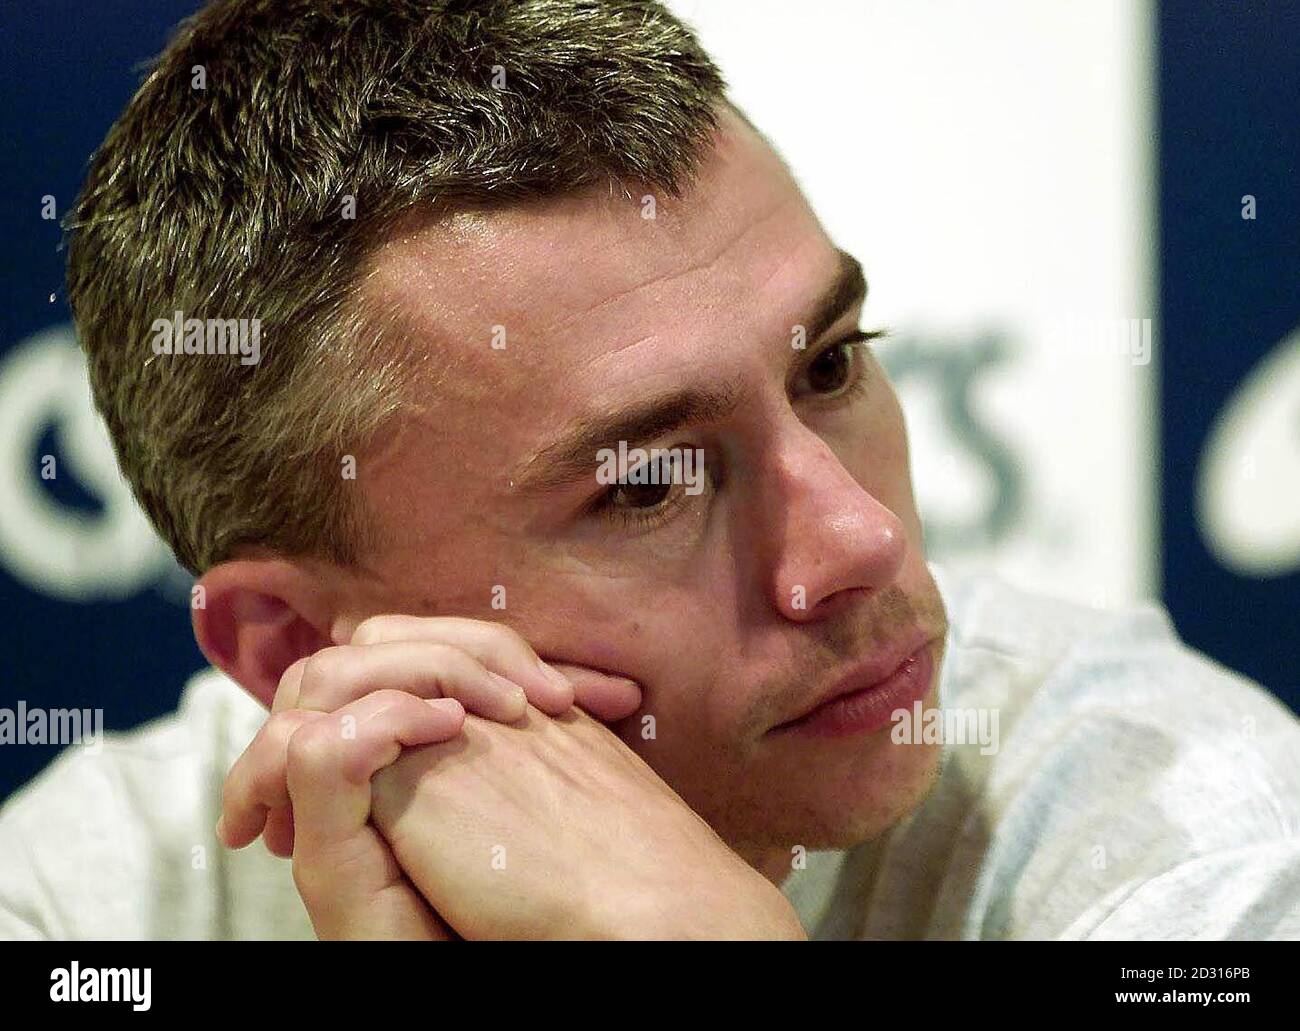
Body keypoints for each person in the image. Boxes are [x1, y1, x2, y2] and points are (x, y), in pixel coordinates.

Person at [2, 0, 1297, 940]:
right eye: (645, 484)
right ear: (289, 648)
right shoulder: (86, 908)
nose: (856, 544)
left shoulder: (1184, 835)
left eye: (832, 365)